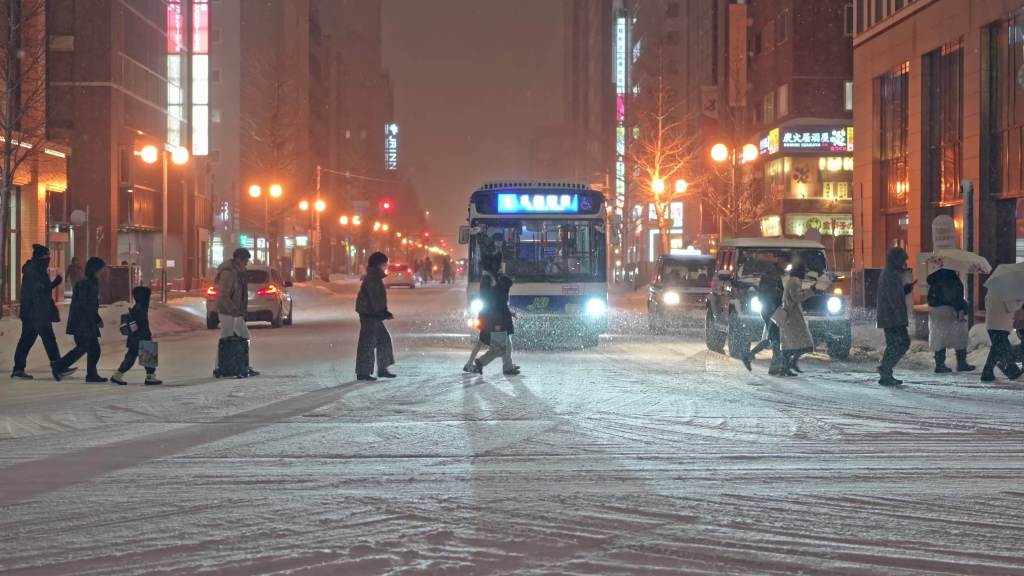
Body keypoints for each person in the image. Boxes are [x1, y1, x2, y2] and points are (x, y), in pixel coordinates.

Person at [11, 244, 71, 380]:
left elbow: (41, 291)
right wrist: (54, 283)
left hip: (36, 312)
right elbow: (38, 291)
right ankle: (58, 367)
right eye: (46, 256)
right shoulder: (33, 271)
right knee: (47, 339)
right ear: (39, 257)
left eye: (49, 256)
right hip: (35, 313)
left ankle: (19, 369)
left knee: (29, 340)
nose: (48, 259)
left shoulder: (37, 269)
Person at [54, 257, 107, 382]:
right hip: (82, 323)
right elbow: (84, 305)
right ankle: (59, 366)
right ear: (95, 270)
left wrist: (96, 318)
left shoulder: (92, 283)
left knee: (90, 348)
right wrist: (96, 318)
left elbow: (90, 306)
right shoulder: (85, 284)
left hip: (87, 323)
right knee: (85, 348)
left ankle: (90, 374)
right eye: (101, 270)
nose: (102, 273)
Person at [216, 248, 259, 376]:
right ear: (237, 259)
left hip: (236, 311)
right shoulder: (228, 273)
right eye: (245, 260)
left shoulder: (239, 271)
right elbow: (223, 295)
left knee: (244, 336)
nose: (246, 263)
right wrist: (233, 309)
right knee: (226, 338)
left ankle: (241, 365)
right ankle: (224, 366)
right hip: (227, 311)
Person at [876, 246, 915, 386]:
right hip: (892, 318)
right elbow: (893, 298)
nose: (904, 264)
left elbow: (894, 295)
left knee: (896, 344)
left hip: (890, 317)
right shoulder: (890, 275)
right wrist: (900, 318)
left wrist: (905, 289)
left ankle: (886, 371)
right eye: (903, 260)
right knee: (901, 343)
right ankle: (885, 369)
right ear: (896, 260)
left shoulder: (891, 273)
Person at [355, 251, 396, 381]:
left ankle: (381, 369)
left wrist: (382, 311)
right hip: (370, 314)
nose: (386, 265)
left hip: (373, 313)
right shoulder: (373, 278)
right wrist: (382, 311)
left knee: (382, 340)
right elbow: (374, 297)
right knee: (368, 343)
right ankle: (363, 372)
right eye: (385, 263)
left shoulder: (375, 277)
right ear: (379, 264)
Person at [110, 286, 161, 386]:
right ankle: (150, 377)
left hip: (134, 338)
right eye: (148, 296)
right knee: (147, 357)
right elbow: (142, 325)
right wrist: (147, 337)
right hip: (141, 337)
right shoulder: (141, 308)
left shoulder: (138, 307)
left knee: (131, 357)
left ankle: (118, 375)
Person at [926, 268, 974, 373]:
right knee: (960, 337)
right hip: (949, 310)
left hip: (935, 310)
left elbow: (931, 296)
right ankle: (961, 363)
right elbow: (956, 296)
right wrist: (961, 309)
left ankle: (939, 364)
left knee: (939, 338)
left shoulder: (935, 278)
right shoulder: (952, 278)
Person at [473, 267, 519, 376]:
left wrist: (511, 313)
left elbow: (503, 308)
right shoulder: (498, 295)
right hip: (499, 324)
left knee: (506, 346)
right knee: (500, 348)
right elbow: (498, 310)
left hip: (502, 324)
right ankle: (482, 362)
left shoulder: (500, 293)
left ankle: (508, 366)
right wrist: (497, 325)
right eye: (508, 287)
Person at [742, 261, 785, 375]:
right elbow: (776, 296)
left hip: (769, 311)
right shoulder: (772, 280)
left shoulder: (767, 280)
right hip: (771, 311)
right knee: (774, 339)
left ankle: (751, 357)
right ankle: (775, 366)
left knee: (773, 338)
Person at [778, 261, 814, 377]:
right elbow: (797, 297)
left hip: (791, 315)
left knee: (793, 344)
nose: (805, 273)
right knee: (803, 344)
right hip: (792, 317)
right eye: (804, 271)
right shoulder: (795, 281)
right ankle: (788, 365)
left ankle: (787, 366)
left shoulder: (792, 280)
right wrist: (810, 292)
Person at [981, 290, 1023, 382]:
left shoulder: (991, 291)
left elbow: (986, 305)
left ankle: (988, 373)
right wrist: (1021, 301)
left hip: (991, 323)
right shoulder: (1007, 291)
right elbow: (1011, 307)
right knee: (1001, 348)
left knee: (997, 348)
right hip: (1001, 324)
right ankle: (1012, 372)